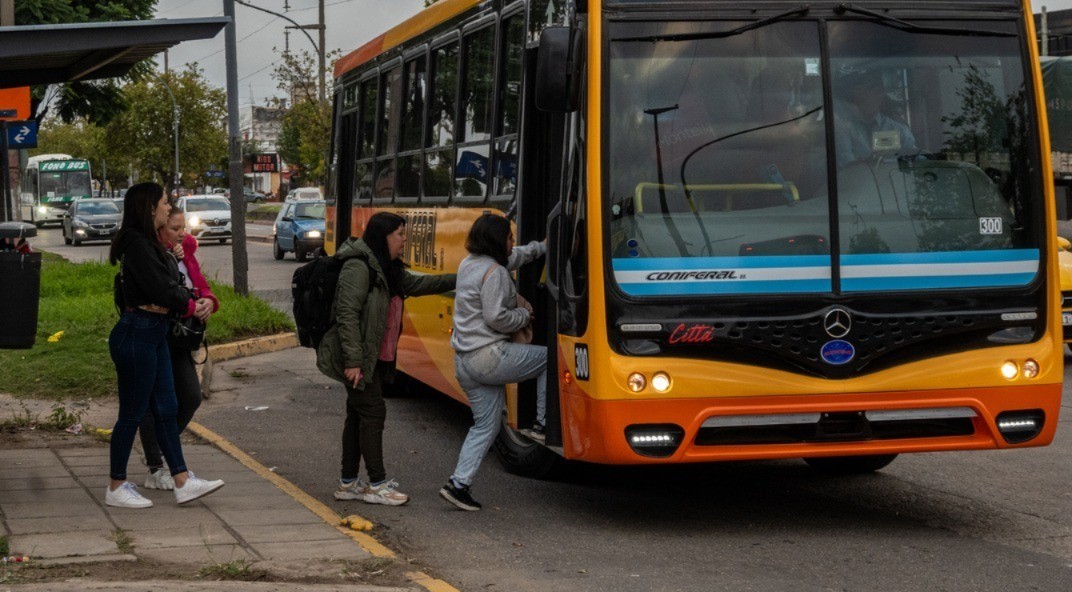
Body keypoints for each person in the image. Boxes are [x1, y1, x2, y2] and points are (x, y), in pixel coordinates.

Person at [316, 212, 455, 506]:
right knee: (373, 413)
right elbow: (347, 315)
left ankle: (348, 483)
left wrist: (463, 277)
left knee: (358, 416)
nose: (405, 241)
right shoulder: (359, 266)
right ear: (383, 237)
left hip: (374, 357)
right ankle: (377, 485)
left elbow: (419, 285)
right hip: (358, 359)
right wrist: (354, 362)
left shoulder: (387, 267)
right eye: (400, 235)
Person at [106, 182, 224, 509]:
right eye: (163, 203)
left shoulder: (152, 245)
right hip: (137, 334)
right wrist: (190, 304)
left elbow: (175, 282)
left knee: (168, 407)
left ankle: (182, 481)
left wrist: (191, 294)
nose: (168, 207)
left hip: (154, 333)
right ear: (149, 209)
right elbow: (163, 289)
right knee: (132, 413)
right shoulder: (138, 246)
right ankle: (116, 486)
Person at [439, 214, 547, 512]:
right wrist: (524, 316)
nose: (513, 242)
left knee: (485, 427)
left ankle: (458, 485)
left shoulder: (469, 264)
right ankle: (543, 422)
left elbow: (516, 257)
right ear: (498, 241)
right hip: (489, 357)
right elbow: (497, 318)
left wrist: (540, 248)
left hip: (464, 362)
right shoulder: (496, 273)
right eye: (510, 237)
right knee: (549, 360)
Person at [139, 207, 219, 490]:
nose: (181, 233)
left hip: (182, 338)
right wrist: (190, 304)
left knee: (191, 396)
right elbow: (165, 294)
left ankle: (163, 451)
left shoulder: (186, 254)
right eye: (175, 228)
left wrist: (208, 302)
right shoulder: (153, 256)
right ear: (159, 229)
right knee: (155, 404)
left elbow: (201, 287)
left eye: (183, 227)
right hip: (158, 335)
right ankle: (156, 465)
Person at [834, 68, 918, 167]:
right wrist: (868, 164)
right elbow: (844, 166)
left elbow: (915, 162)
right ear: (855, 94)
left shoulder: (899, 130)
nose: (878, 94)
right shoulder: (842, 128)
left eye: (878, 90)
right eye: (870, 89)